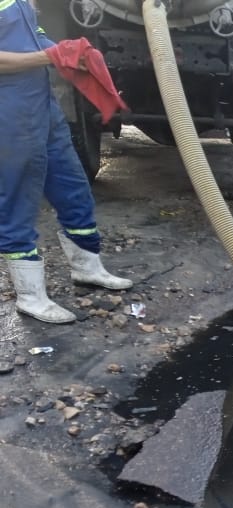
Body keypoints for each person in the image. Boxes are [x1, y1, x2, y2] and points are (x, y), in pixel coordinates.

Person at [0, 0, 131, 325]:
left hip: (41, 103)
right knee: (19, 196)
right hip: (10, 108)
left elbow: (33, 35)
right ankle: (30, 296)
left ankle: (87, 267)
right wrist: (51, 56)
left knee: (71, 183)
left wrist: (71, 52)